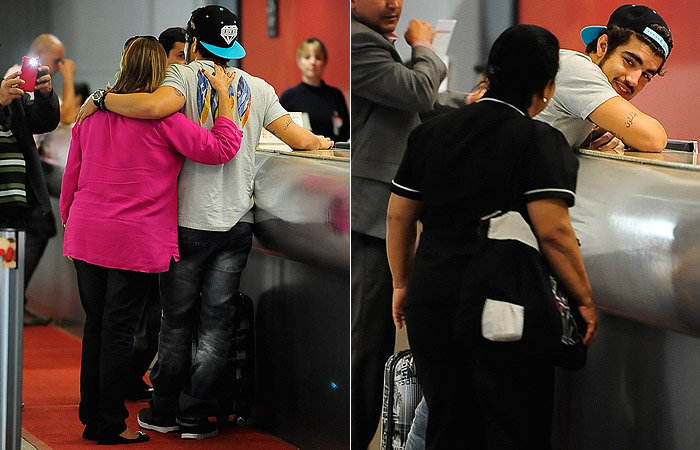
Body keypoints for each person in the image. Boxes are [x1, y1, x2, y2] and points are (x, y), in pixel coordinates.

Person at [77, 5, 333, 440]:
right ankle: (197, 415)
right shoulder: (258, 87)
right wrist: (325, 142)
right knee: (216, 324)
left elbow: (154, 107)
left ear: (194, 42)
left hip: (184, 223)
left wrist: (102, 98)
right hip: (236, 223)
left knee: (175, 322)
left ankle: (163, 411)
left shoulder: (180, 78)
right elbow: (300, 138)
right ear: (232, 46)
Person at [386, 24, 597, 449]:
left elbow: (398, 216)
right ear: (548, 87)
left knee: (448, 424)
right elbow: (554, 232)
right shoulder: (539, 139)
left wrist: (402, 282)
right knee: (512, 429)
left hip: (431, 298)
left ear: (493, 73)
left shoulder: (432, 132)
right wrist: (584, 299)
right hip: (502, 306)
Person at [60, 35, 242, 445]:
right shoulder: (165, 120)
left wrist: (69, 225)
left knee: (96, 327)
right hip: (133, 240)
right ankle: (109, 424)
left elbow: (71, 178)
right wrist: (224, 99)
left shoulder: (92, 115)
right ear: (161, 72)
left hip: (86, 233)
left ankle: (92, 414)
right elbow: (221, 148)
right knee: (120, 332)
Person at [350, 1, 466, 447]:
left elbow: (411, 104)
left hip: (376, 212)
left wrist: (470, 103)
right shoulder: (359, 41)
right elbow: (417, 91)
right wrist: (424, 46)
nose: (394, 3)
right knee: (367, 344)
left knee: (374, 341)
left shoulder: (372, 43)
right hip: (369, 212)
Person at [4, 33, 78, 326]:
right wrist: (70, 77)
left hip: (28, 166)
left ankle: (14, 298)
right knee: (35, 228)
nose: (60, 66)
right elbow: (68, 115)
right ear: (38, 53)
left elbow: (53, 117)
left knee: (38, 228)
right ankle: (12, 298)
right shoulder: (20, 77)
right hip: (19, 169)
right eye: (57, 60)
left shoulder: (35, 79)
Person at [535, 4, 673, 153]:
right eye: (629, 61)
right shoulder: (577, 69)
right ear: (603, 46)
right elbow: (653, 139)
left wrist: (592, 139)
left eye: (646, 75)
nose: (633, 80)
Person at [0, 60, 59, 245]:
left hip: (13, 203)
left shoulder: (8, 88)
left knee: (9, 269)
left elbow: (43, 122)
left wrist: (44, 94)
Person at [280, 37, 349, 142]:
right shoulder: (288, 97)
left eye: (318, 57)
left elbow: (346, 134)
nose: (313, 62)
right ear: (299, 61)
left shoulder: (336, 96)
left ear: (325, 62)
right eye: (307, 57)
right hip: (298, 156)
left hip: (333, 155)